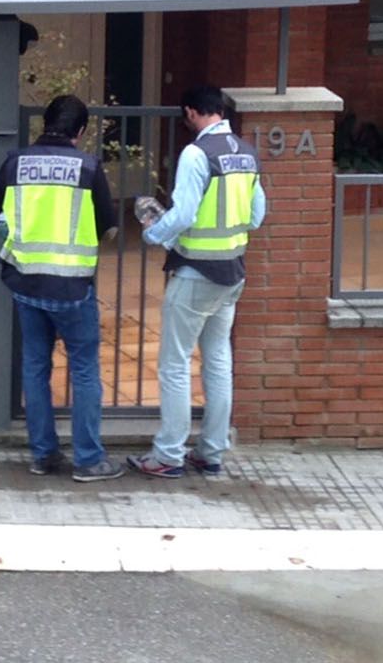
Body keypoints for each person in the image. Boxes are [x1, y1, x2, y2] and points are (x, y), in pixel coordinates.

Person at [0, 94, 124, 482]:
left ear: (45, 123)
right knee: (85, 372)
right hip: (72, 289)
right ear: (81, 130)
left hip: (26, 283)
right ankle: (89, 461)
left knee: (35, 367)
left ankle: (43, 456)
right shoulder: (88, 167)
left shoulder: (16, 163)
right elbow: (108, 227)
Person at [128, 85, 265, 480]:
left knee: (174, 364)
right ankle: (210, 452)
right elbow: (257, 215)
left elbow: (184, 212)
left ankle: (169, 455)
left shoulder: (196, 153)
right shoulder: (247, 152)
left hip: (195, 272)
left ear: (191, 112)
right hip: (232, 273)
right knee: (218, 361)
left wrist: (153, 233)